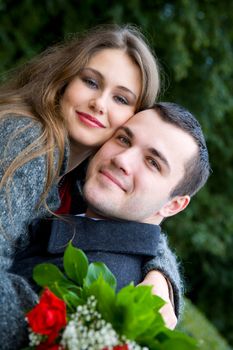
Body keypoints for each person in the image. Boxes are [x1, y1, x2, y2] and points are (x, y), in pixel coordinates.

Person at [0, 24, 179, 350]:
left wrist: (162, 277)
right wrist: (65, 323)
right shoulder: (26, 141)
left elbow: (147, 222)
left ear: (135, 118)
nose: (99, 103)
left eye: (121, 98)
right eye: (91, 82)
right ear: (65, 79)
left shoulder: (80, 174)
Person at [11, 102, 210, 344]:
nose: (122, 160)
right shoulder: (64, 184)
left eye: (153, 163)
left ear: (173, 205)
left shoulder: (101, 297)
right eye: (124, 139)